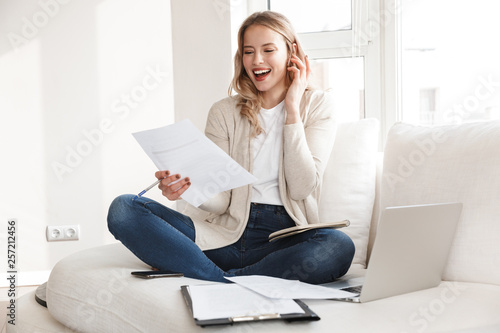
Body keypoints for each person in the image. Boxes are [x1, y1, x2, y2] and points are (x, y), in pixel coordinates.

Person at [107, 11, 355, 284]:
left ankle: (213, 277)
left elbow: (301, 187)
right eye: (248, 52)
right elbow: (221, 200)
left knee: (338, 245)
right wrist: (188, 189)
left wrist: (293, 109)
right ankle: (230, 280)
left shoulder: (317, 105)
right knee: (124, 208)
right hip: (223, 237)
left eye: (268, 50)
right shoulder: (224, 112)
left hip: (282, 242)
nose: (257, 60)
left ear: (291, 51)